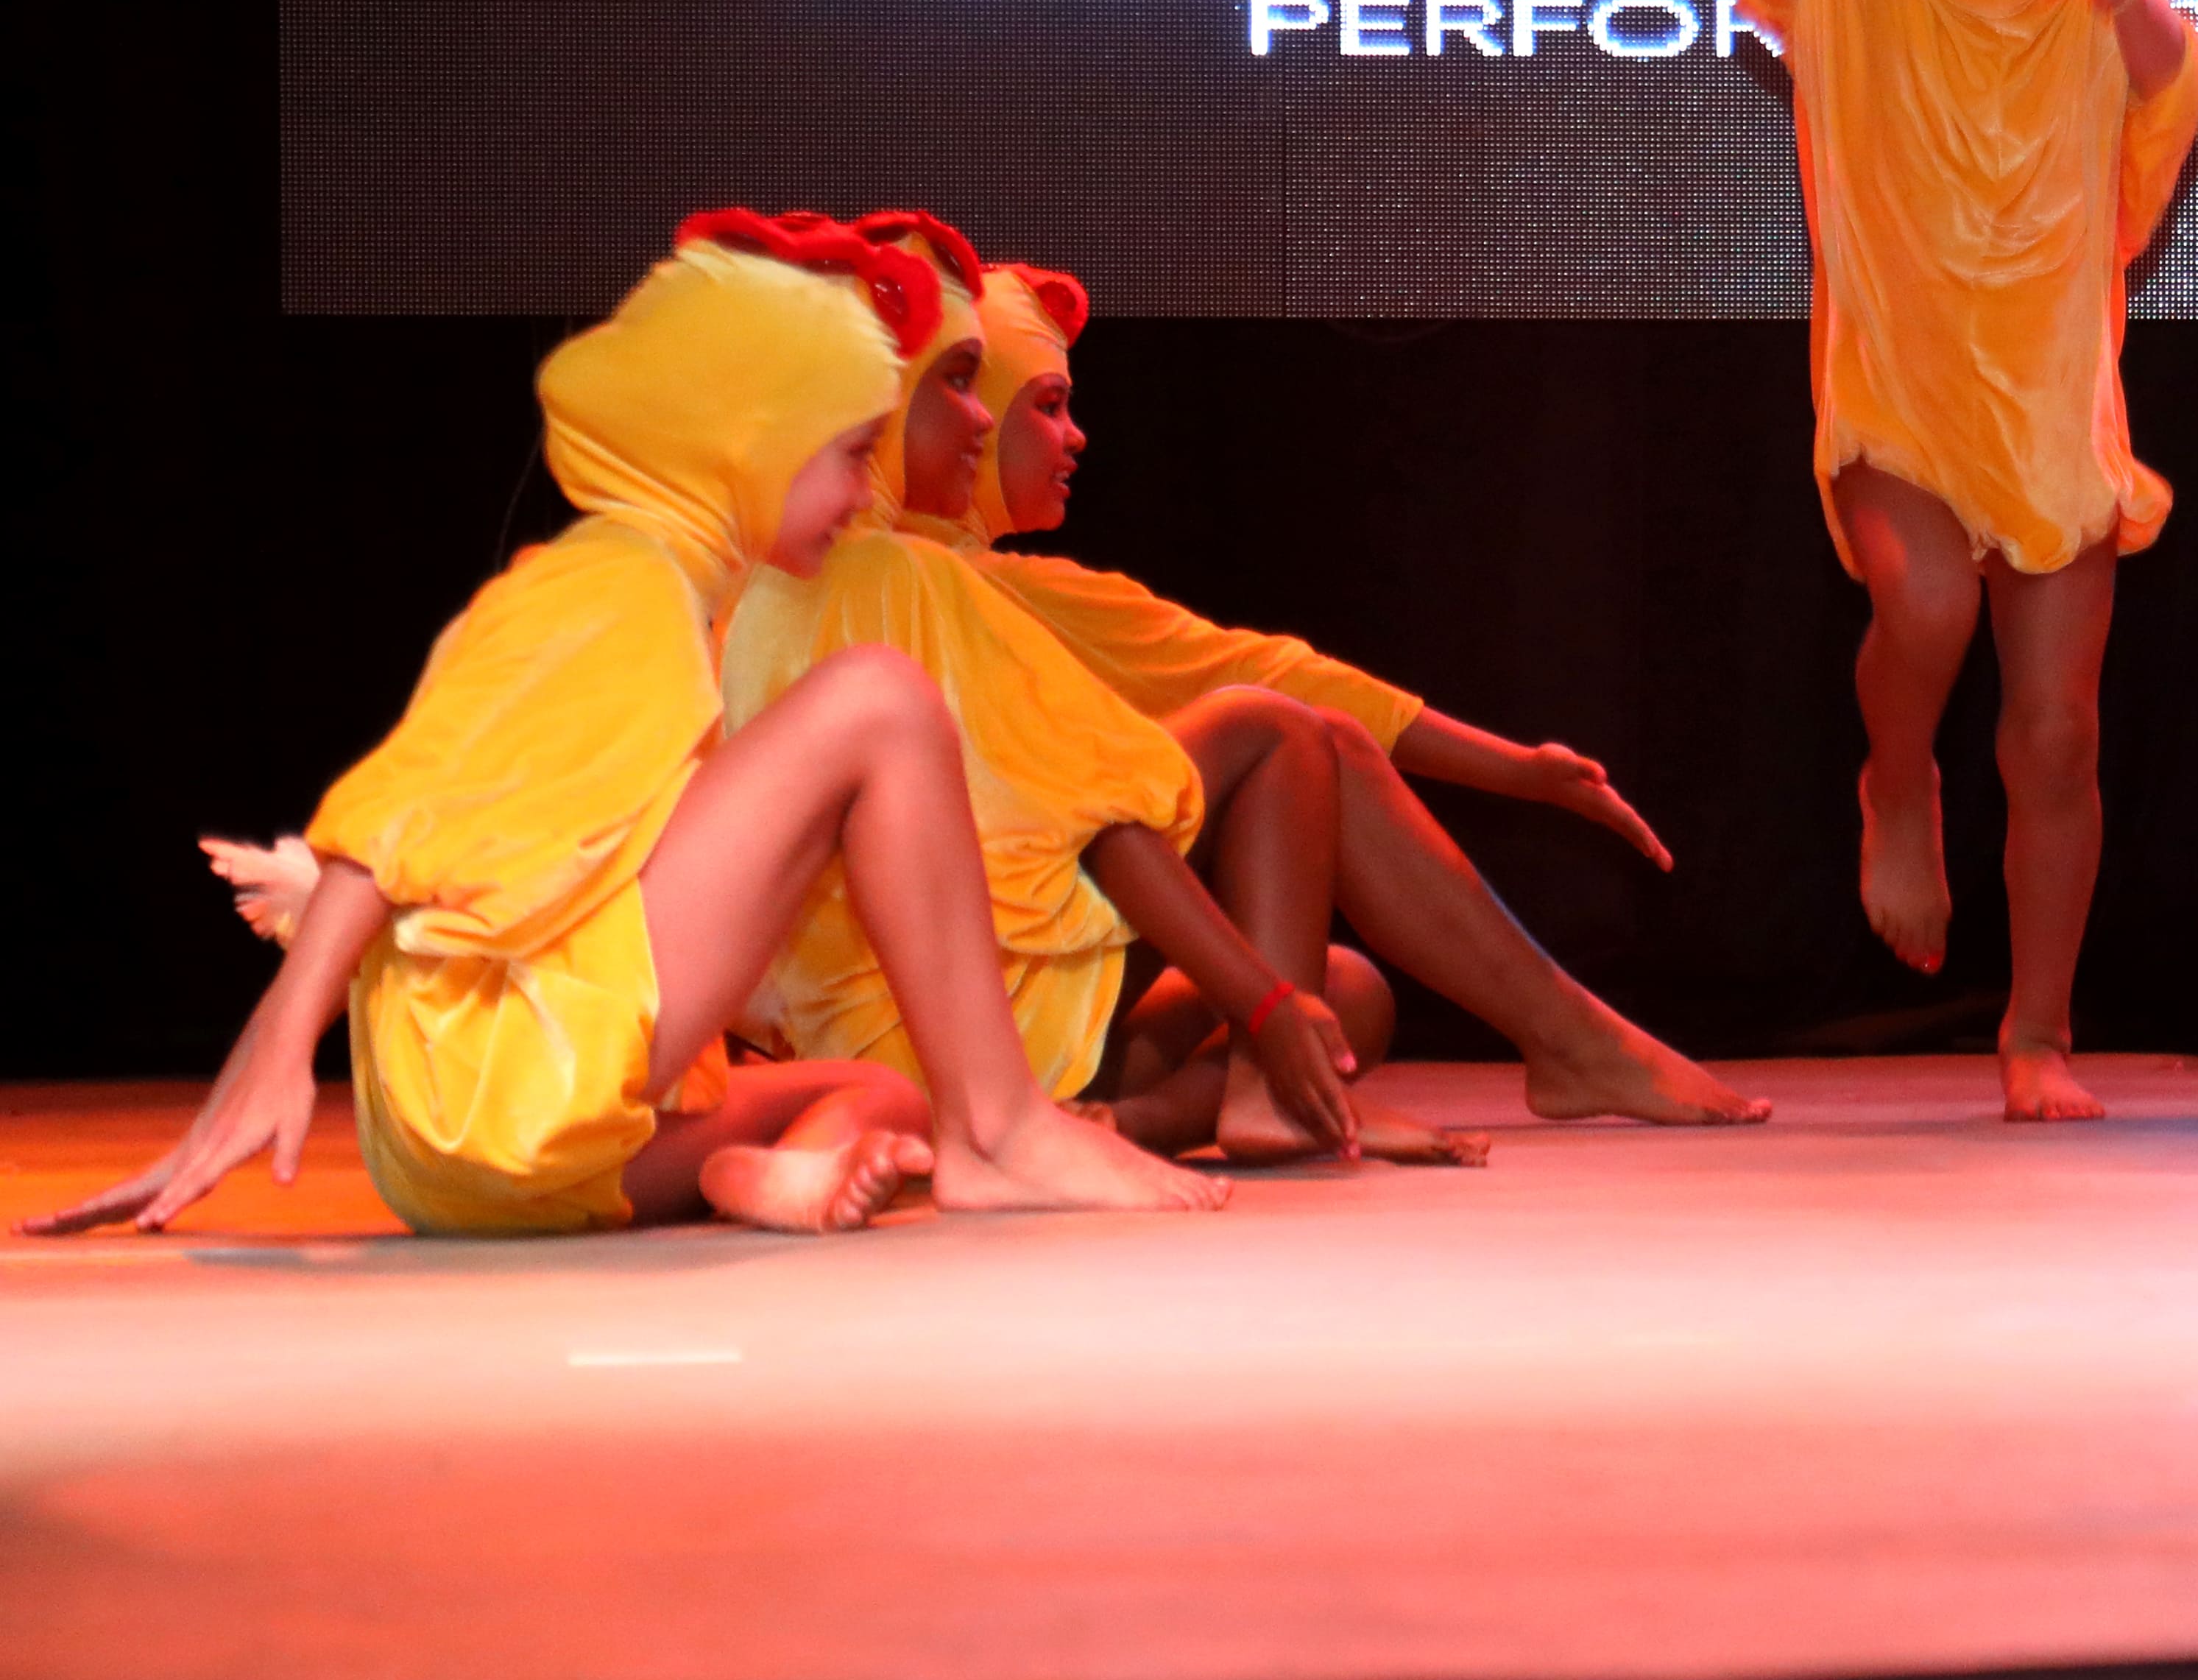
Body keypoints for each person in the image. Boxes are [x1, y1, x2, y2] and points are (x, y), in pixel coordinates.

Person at [25, 213, 1223, 1239]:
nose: (866, 492)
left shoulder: (678, 585)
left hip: (495, 1165)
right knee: (883, 701)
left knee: (883, 1087)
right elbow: (389, 816)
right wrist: (275, 1049)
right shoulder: (623, 580)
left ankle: (768, 1168)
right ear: (756, 443)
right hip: (509, 1081)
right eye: (851, 453)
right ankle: (1002, 1132)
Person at [1716, 0, 2198, 1120]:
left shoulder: (2093, 15)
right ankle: (1895, 778)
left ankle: (2036, 1032)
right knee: (1925, 600)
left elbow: (2172, 74)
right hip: (1899, 398)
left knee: (2057, 734)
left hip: (2051, 415)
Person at [944, 247, 1766, 1130]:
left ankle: (1122, 1125)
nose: (1076, 436)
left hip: (1032, 997)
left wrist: (1520, 770)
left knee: (1346, 994)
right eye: (1048, 406)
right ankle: (1560, 1043)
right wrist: (1516, 770)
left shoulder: (974, 581)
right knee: (1290, 733)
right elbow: (1264, 685)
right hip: (979, 1005)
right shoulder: (952, 587)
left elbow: (1256, 674)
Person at [722, 213, 1439, 1165]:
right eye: (960, 381)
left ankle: (1133, 1120)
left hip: (852, 1049)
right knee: (1270, 729)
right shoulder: (900, 578)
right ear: (878, 396)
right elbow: (1106, 821)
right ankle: (1271, 1096)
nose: (984, 418)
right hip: (962, 1026)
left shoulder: (734, 584)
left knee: (1344, 989)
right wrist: (1265, 1005)